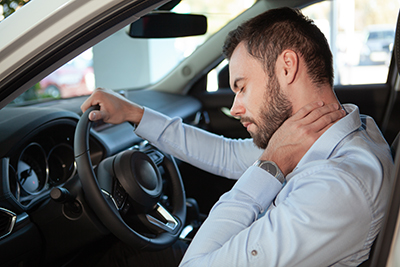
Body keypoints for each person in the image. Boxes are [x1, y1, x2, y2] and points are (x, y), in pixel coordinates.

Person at [81, 7, 393, 267]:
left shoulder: (335, 188)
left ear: (287, 67)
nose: (235, 107)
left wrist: (270, 164)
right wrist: (135, 114)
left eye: (242, 86)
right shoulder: (342, 130)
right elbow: (228, 155)